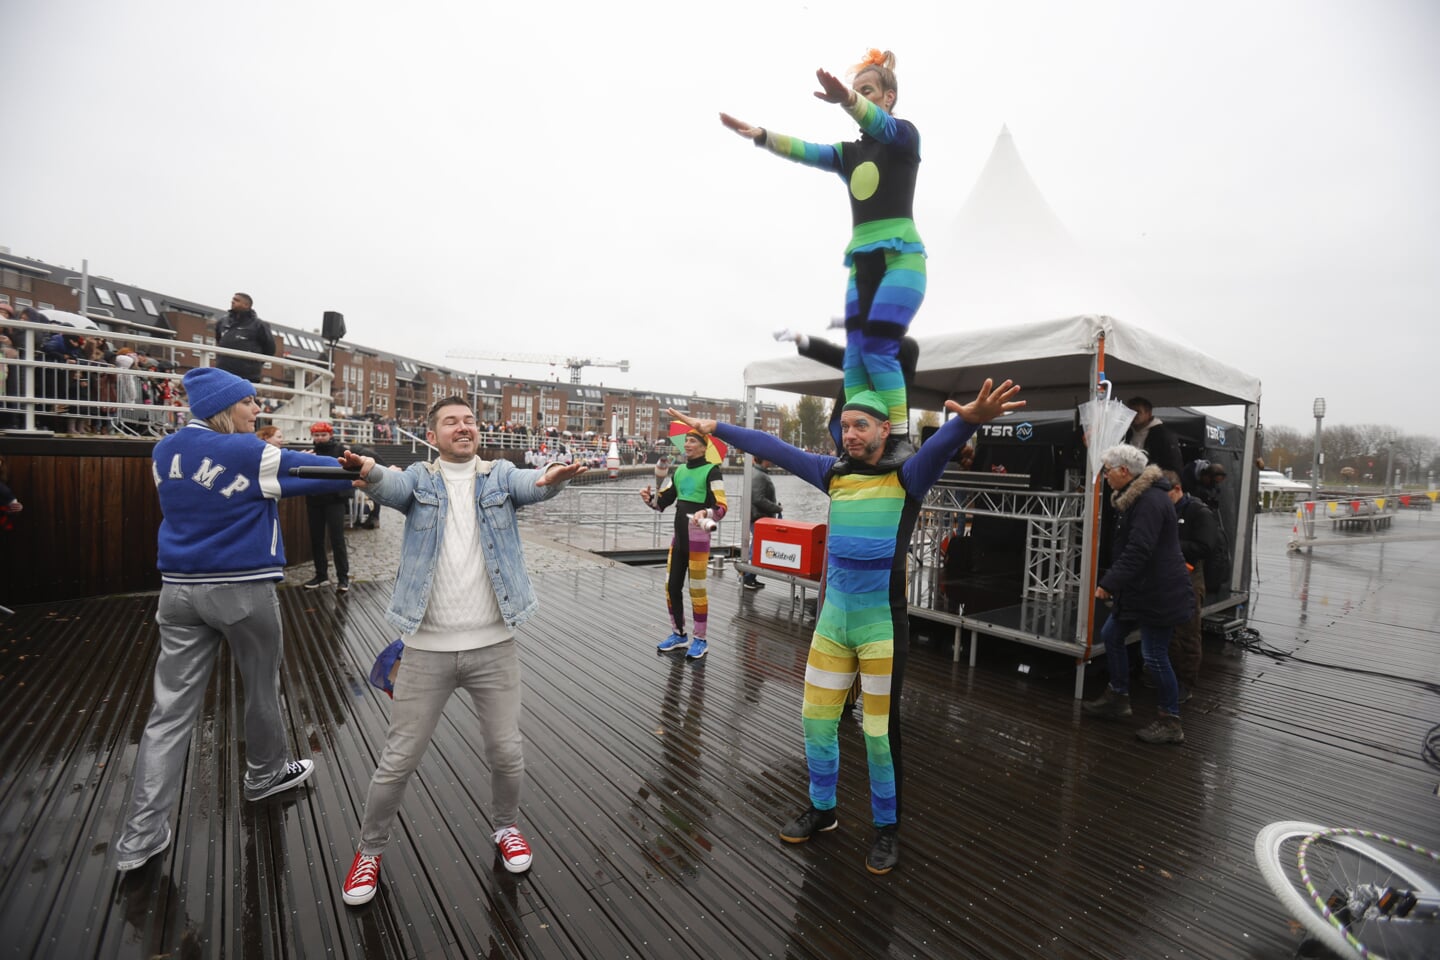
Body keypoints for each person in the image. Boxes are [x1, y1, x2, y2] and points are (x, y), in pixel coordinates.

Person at [670, 377, 1024, 875]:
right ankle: (824, 809)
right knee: (816, 723)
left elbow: (941, 446)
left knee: (878, 733)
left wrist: (968, 421)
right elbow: (774, 446)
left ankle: (887, 828)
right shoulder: (832, 473)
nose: (849, 434)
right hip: (832, 624)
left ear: (885, 428)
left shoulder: (908, 477)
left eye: (860, 426)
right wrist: (719, 428)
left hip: (880, 626)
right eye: (843, 427)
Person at [114, 366, 366, 872]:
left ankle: (139, 839)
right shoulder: (249, 452)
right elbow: (319, 472)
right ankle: (264, 776)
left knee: (168, 713)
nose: (258, 411)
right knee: (261, 686)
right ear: (225, 407)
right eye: (249, 402)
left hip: (178, 591)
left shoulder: (164, 450)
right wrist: (363, 467)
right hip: (242, 589)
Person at [338, 397, 586, 907]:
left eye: (470, 420)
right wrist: (370, 471)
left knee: (506, 752)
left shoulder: (499, 476)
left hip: (494, 645)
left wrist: (552, 478)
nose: (463, 427)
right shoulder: (420, 479)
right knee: (398, 760)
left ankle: (506, 827)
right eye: (452, 421)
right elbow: (391, 485)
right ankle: (369, 850)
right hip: (425, 648)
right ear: (434, 434)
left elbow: (530, 485)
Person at [722, 48, 925, 439]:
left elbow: (883, 127)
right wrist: (761, 136)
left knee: (880, 347)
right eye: (856, 90)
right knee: (855, 359)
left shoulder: (904, 139)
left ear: (889, 98)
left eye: (868, 90)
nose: (860, 95)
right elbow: (807, 151)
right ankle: (860, 438)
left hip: (902, 258)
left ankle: (899, 438)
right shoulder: (848, 155)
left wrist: (848, 100)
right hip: (861, 262)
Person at [1083, 444, 1195, 745]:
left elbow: (1139, 549)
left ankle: (1171, 720)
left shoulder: (1149, 502)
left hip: (1159, 591)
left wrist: (1110, 582)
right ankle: (1118, 698)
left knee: (1154, 655)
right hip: (1142, 589)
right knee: (1111, 634)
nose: (1105, 476)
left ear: (1124, 472)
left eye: (1108, 471)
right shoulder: (1139, 498)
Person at [640, 427, 729, 660]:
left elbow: (721, 508)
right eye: (686, 441)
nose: (687, 445)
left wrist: (705, 511)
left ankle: (700, 639)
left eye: (692, 441)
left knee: (697, 591)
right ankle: (679, 634)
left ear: (703, 446)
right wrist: (650, 499)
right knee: (671, 588)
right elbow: (663, 503)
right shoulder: (679, 471)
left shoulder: (713, 471)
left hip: (698, 539)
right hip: (678, 538)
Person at [1164, 469, 1219, 700]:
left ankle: (1186, 683)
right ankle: (1169, 678)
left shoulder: (1199, 511)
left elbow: (1206, 547)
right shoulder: (1165, 510)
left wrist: (1172, 544)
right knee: (1168, 633)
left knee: (1188, 633)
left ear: (1177, 489)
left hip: (1189, 577)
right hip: (1166, 576)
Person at [302, 421, 374, 591]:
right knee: (316, 539)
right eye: (317, 435)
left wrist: (346, 493)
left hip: (335, 500)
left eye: (323, 435)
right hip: (314, 500)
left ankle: (343, 577)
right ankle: (321, 575)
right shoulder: (310, 452)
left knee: (338, 539)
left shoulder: (340, 450)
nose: (319, 438)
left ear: (330, 435)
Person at [213, 293, 276, 382]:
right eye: (233, 299)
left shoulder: (259, 325)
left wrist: (254, 363)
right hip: (222, 372)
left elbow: (270, 349)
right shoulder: (223, 322)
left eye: (237, 300)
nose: (232, 302)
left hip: (247, 376)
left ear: (246, 305)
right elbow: (219, 340)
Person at [743, 457, 782, 589]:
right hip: (758, 517)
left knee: (756, 547)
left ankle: (750, 576)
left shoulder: (757, 473)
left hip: (755, 516)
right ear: (765, 460)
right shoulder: (760, 476)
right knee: (757, 548)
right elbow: (758, 498)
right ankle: (748, 576)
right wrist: (777, 508)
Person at [1123, 397, 1182, 473]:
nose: (1133, 415)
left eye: (1138, 411)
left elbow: (1174, 464)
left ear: (1149, 414)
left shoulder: (1163, 435)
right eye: (1130, 411)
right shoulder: (1126, 433)